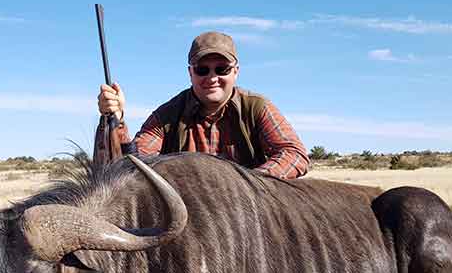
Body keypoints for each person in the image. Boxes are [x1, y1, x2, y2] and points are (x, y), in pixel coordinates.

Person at [97, 31, 309, 179]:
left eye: (222, 69)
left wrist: (248, 183)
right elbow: (132, 165)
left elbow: (295, 154)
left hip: (247, 215)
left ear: (236, 71)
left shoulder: (256, 107)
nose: (212, 77)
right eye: (202, 69)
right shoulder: (168, 115)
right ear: (190, 73)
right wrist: (117, 118)